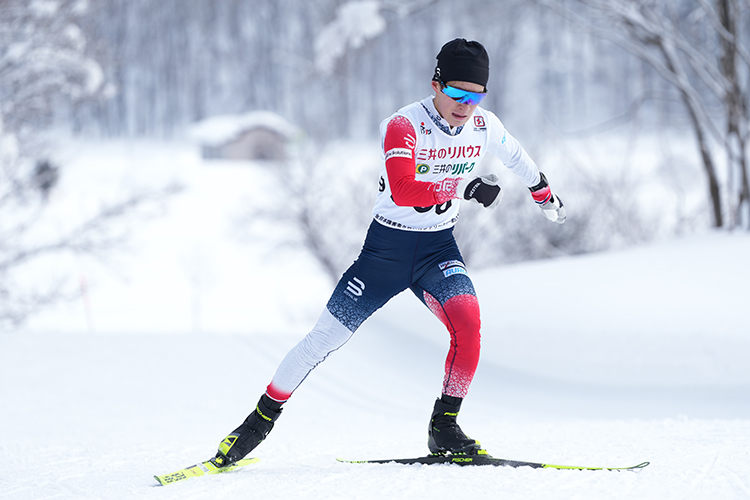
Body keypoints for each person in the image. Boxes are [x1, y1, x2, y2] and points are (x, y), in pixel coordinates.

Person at [212, 38, 566, 467]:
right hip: (386, 253)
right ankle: (256, 424)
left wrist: (542, 192)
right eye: (455, 92)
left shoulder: (483, 125)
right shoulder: (403, 125)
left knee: (469, 324)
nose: (464, 105)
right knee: (324, 339)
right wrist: (464, 186)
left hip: (438, 248)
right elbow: (402, 188)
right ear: (435, 84)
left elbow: (518, 157)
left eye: (475, 96)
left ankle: (445, 427)